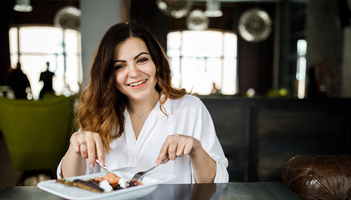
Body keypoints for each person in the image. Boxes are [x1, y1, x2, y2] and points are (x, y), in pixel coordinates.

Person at [57, 22, 229, 183]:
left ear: (156, 62)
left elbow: (218, 181)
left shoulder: (191, 108)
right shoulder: (99, 113)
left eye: (142, 60)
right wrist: (75, 147)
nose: (133, 72)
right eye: (120, 66)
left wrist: (196, 149)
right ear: (109, 75)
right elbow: (69, 181)